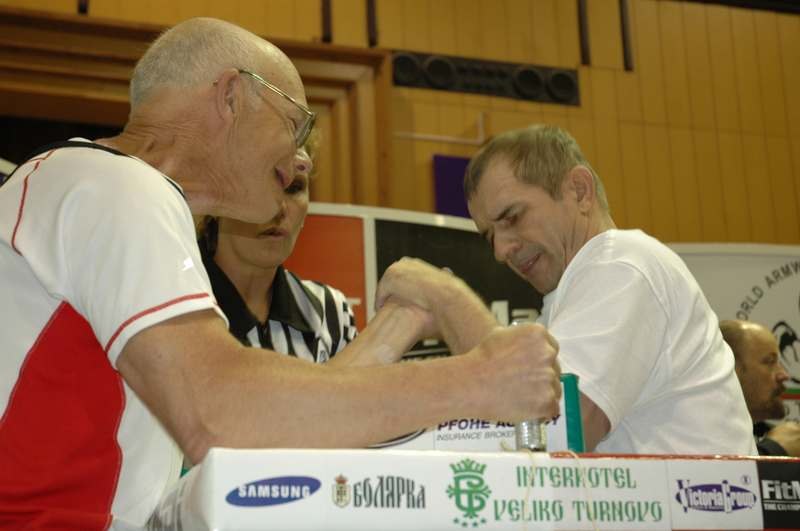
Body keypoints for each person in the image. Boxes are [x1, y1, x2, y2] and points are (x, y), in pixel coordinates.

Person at [0, 18, 561, 529]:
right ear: (231, 96)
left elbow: (255, 425)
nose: (303, 161)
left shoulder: (94, 188)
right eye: (295, 124)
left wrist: (400, 324)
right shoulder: (118, 187)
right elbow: (221, 414)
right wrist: (478, 380)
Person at [381, 124, 757, 455]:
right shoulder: (572, 295)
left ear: (579, 191)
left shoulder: (623, 263)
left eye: (512, 217)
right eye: (490, 236)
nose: (500, 251)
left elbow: (558, 429)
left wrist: (446, 297)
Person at [198, 138, 357, 361]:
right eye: (259, 185)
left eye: (294, 188)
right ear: (213, 197)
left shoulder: (330, 312)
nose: (279, 208)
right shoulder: (172, 307)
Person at [720, 319, 800, 456]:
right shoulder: (696, 433)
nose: (784, 375)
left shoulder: (764, 433)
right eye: (769, 361)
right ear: (731, 369)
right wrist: (774, 451)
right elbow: (714, 475)